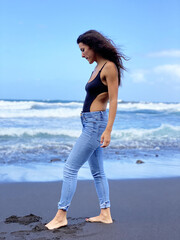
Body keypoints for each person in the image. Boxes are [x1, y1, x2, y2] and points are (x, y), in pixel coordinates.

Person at [45, 30, 127, 230]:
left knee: (70, 169)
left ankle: (61, 215)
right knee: (97, 172)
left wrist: (108, 130)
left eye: (83, 50)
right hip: (88, 123)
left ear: (93, 46)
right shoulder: (97, 67)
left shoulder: (109, 67)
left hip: (95, 125)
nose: (82, 54)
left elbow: (114, 100)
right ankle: (105, 213)